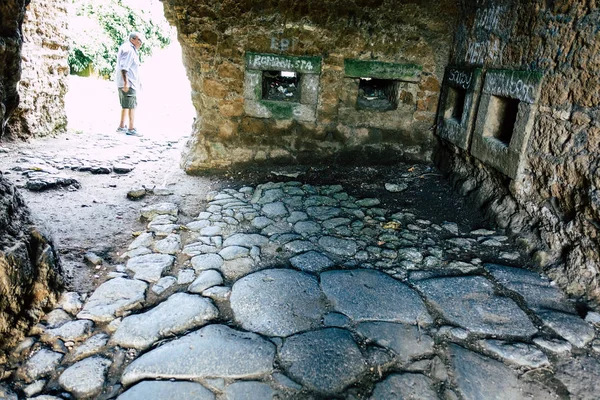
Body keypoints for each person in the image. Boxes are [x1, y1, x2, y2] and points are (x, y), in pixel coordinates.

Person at [116, 32, 143, 136]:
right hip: (128, 83)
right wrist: (126, 82)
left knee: (125, 105)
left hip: (124, 82)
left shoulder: (128, 48)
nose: (141, 43)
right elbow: (124, 67)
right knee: (132, 105)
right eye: (139, 40)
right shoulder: (129, 50)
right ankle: (131, 128)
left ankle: (121, 126)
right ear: (133, 39)